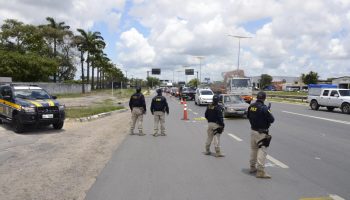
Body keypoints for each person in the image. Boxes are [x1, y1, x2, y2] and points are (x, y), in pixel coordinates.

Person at [247, 91, 275, 179]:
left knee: (253, 149)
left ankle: (252, 167)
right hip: (261, 133)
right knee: (262, 151)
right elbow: (272, 120)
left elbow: (248, 116)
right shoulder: (264, 108)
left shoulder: (251, 106)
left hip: (253, 131)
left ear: (257, 97)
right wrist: (269, 110)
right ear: (264, 98)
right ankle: (260, 171)